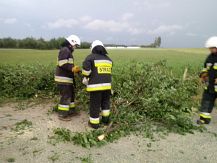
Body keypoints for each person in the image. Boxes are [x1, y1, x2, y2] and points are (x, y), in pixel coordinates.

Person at [82, 40, 113, 129]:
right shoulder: (109, 60)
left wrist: (85, 77)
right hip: (107, 87)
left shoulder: (90, 58)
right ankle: (106, 120)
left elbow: (86, 72)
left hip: (95, 87)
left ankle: (94, 124)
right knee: (105, 103)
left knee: (95, 105)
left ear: (93, 48)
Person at [54, 34, 81, 121]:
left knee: (71, 95)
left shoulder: (67, 51)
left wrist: (76, 70)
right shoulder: (65, 50)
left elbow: (67, 64)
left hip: (67, 79)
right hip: (63, 79)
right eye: (75, 45)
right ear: (71, 43)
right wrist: (72, 68)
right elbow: (62, 63)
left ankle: (71, 111)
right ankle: (62, 114)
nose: (75, 48)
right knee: (66, 96)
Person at [197, 36, 217, 124]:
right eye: (209, 48)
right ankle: (204, 119)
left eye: (212, 48)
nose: (210, 50)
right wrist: (203, 76)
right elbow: (205, 68)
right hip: (210, 85)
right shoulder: (209, 57)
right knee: (206, 101)